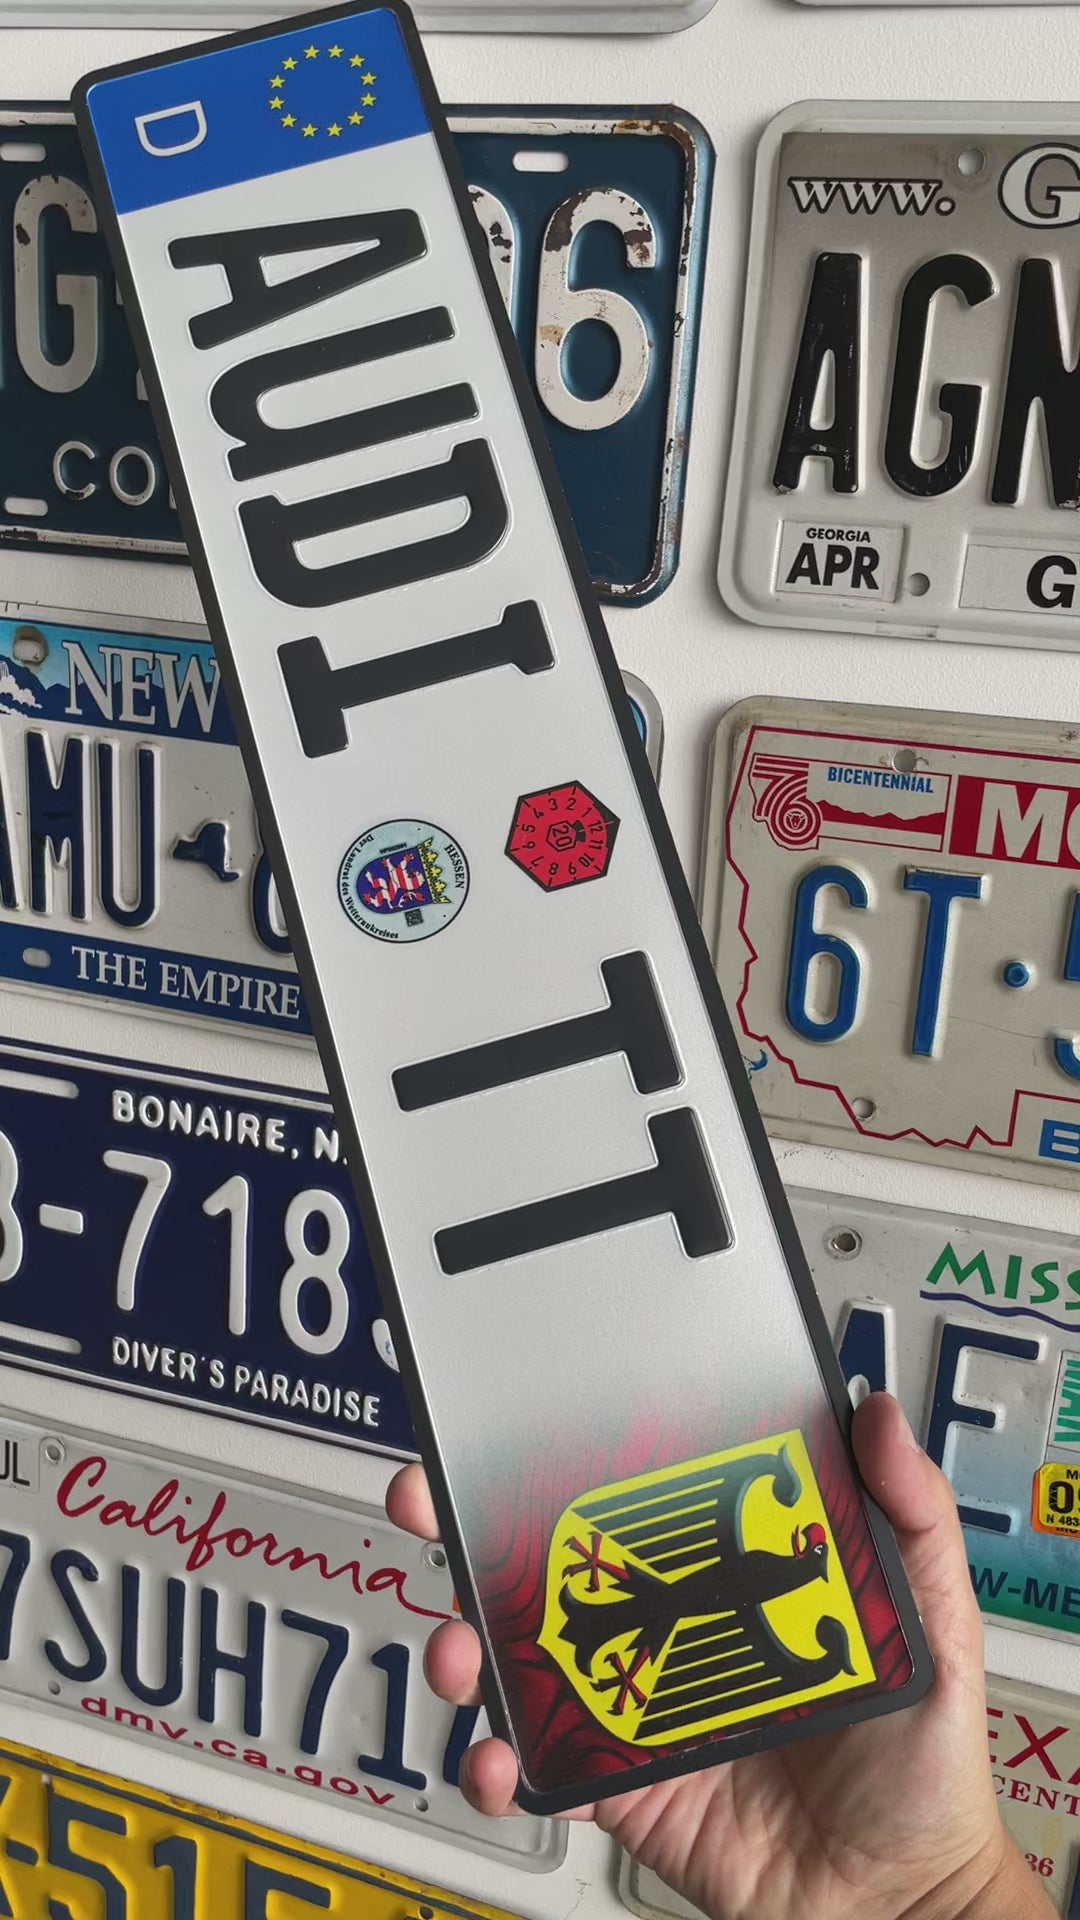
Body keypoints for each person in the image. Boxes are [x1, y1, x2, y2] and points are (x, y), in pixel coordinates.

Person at [388, 1391, 1057, 1920]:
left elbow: (768, 1578)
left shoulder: (774, 1564)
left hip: (683, 1622)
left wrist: (938, 1889)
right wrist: (937, 1893)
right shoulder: (771, 1558)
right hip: (678, 1622)